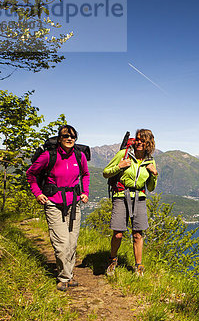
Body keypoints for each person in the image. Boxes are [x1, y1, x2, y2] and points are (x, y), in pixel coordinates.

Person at [26, 125, 90, 291]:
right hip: (53, 203)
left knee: (72, 243)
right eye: (66, 136)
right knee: (61, 243)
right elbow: (31, 174)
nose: (69, 139)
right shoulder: (49, 156)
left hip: (74, 203)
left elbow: (86, 174)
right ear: (59, 138)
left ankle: (68, 274)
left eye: (73, 137)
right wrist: (38, 193)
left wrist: (85, 192)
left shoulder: (79, 156)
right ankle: (64, 277)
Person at [103, 128, 158, 277]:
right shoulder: (124, 154)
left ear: (149, 143)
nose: (139, 142)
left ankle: (138, 266)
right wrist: (119, 166)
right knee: (118, 233)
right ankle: (113, 260)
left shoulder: (150, 160)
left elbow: (151, 188)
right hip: (121, 195)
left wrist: (154, 174)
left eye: (143, 140)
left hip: (139, 198)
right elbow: (105, 172)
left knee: (138, 235)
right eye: (138, 139)